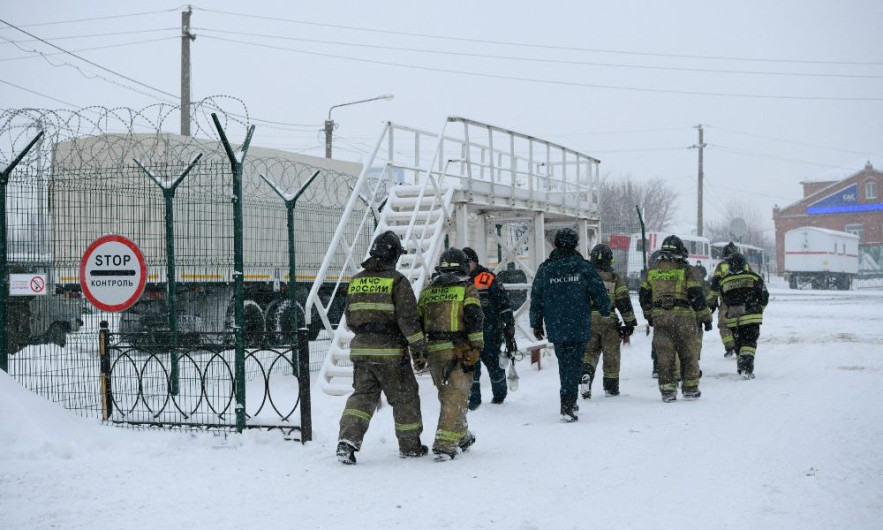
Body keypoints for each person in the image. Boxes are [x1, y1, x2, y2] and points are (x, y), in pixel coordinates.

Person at [336, 231, 429, 465]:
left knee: (362, 397)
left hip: (361, 351)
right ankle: (410, 446)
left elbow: (349, 317)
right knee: (405, 397)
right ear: (394, 255)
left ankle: (347, 441)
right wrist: (420, 347)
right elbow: (408, 321)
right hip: (390, 354)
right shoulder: (397, 282)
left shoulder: (356, 280)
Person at [529, 228, 610, 422]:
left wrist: (536, 323)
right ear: (575, 244)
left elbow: (537, 297)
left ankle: (569, 398)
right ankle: (567, 404)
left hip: (556, 324)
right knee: (574, 362)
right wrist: (605, 309)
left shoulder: (546, 268)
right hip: (578, 322)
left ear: (555, 244)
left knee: (565, 363)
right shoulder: (583, 267)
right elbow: (598, 291)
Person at [417, 248, 484, 460]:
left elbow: (417, 323)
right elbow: (474, 317)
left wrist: (418, 354)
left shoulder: (427, 291)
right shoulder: (466, 288)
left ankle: (462, 436)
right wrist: (476, 346)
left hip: (435, 352)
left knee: (449, 396)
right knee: (456, 397)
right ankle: (444, 445)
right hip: (459, 350)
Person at [639, 235, 712, 402]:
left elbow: (643, 297)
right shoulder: (688, 270)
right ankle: (690, 388)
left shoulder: (653, 271)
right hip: (684, 319)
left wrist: (650, 315)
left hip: (660, 319)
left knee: (664, 355)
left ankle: (667, 391)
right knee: (688, 353)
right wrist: (705, 318)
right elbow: (696, 296)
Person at [461, 247, 517, 410]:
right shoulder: (460, 280)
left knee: (494, 365)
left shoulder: (487, 278)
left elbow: (503, 301)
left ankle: (499, 394)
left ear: (474, 262)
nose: (464, 266)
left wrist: (508, 323)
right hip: (469, 333)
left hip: (490, 331)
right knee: (472, 367)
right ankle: (474, 399)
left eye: (467, 262)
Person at [580, 243, 638, 399]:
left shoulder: (584, 277)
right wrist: (630, 323)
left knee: (589, 352)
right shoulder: (614, 278)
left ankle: (586, 374)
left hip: (587, 320)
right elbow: (623, 301)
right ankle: (611, 388)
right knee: (611, 355)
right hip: (609, 322)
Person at [711, 252, 769, 379]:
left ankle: (741, 364)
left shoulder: (724, 281)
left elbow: (723, 299)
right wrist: (759, 309)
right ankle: (746, 368)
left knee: (739, 342)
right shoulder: (754, 277)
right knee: (749, 342)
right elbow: (764, 295)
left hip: (733, 319)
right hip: (751, 318)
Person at [707, 242, 742, 358]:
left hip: (726, 301)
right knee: (743, 324)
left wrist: (712, 302)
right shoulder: (745, 265)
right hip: (744, 302)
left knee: (724, 324)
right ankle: (741, 346)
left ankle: (730, 346)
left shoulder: (721, 266)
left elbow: (715, 285)